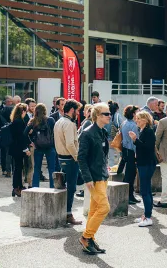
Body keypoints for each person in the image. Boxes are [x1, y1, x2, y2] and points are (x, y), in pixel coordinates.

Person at [78, 102, 110, 255]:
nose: (109, 116)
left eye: (109, 113)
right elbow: (81, 158)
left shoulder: (103, 131)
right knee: (104, 208)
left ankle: (90, 238)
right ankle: (85, 237)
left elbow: (102, 154)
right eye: (106, 114)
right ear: (97, 115)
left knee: (95, 209)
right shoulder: (87, 133)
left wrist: (106, 168)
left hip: (102, 175)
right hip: (93, 178)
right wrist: (87, 178)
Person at [54, 99, 83, 225]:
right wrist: (77, 157)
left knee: (67, 186)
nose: (78, 113)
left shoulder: (59, 121)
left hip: (61, 157)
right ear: (72, 110)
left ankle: (65, 212)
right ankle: (68, 214)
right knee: (71, 188)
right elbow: (70, 144)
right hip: (70, 158)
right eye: (77, 110)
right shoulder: (69, 124)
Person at [130, 110, 156, 227]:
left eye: (139, 118)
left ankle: (148, 217)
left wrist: (135, 140)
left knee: (145, 191)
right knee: (147, 190)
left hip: (146, 163)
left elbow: (147, 147)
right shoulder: (143, 130)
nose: (137, 120)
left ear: (145, 120)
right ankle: (146, 215)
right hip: (144, 163)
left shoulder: (149, 131)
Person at [25, 103, 56, 188]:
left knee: (37, 169)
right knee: (52, 169)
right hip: (50, 147)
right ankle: (52, 188)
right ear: (45, 111)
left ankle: (35, 187)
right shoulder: (50, 120)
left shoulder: (33, 121)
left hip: (38, 147)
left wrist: (31, 141)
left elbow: (24, 133)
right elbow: (55, 133)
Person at [10, 103, 30, 197]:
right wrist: (26, 149)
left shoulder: (16, 120)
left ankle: (19, 186)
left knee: (18, 168)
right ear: (23, 111)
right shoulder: (19, 121)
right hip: (18, 149)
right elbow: (20, 137)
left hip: (16, 148)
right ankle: (16, 188)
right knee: (18, 169)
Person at [120, 105, 139, 204]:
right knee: (130, 174)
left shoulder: (124, 123)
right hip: (131, 151)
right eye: (137, 112)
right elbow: (134, 141)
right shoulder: (134, 125)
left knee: (128, 173)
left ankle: (129, 195)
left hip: (125, 150)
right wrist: (137, 154)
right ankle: (129, 196)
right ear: (133, 114)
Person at [0, 96, 13, 177]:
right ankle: (4, 169)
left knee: (10, 152)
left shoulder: (12, 109)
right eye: (9, 101)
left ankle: (9, 169)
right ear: (5, 102)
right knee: (3, 152)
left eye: (11, 101)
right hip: (2, 134)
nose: (10, 103)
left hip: (11, 134)